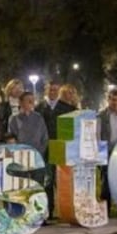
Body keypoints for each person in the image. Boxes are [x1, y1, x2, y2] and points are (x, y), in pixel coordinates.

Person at [36, 80, 75, 221]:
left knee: (61, 180)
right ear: (46, 90)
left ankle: (64, 210)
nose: (53, 92)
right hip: (45, 148)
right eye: (50, 89)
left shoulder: (68, 108)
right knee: (47, 180)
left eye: (56, 90)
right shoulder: (38, 108)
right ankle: (49, 211)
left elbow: (71, 131)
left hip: (61, 147)